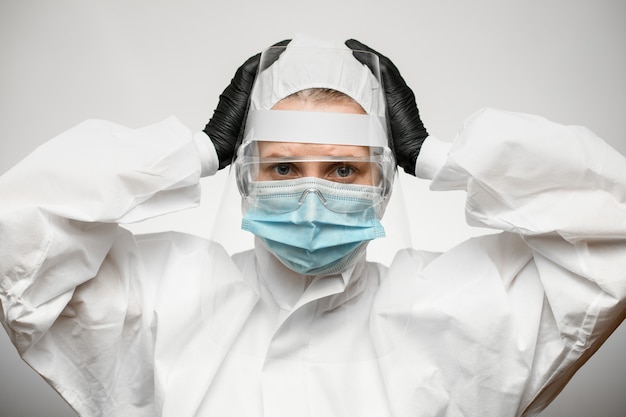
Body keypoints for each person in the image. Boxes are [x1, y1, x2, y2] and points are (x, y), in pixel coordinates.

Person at [0, 34, 624, 417]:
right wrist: (195, 151)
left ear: (384, 185)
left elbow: (614, 230)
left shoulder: (463, 308)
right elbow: (17, 235)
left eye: (345, 171)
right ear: (243, 176)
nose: (311, 194)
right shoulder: (159, 296)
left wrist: (438, 158)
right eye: (285, 166)